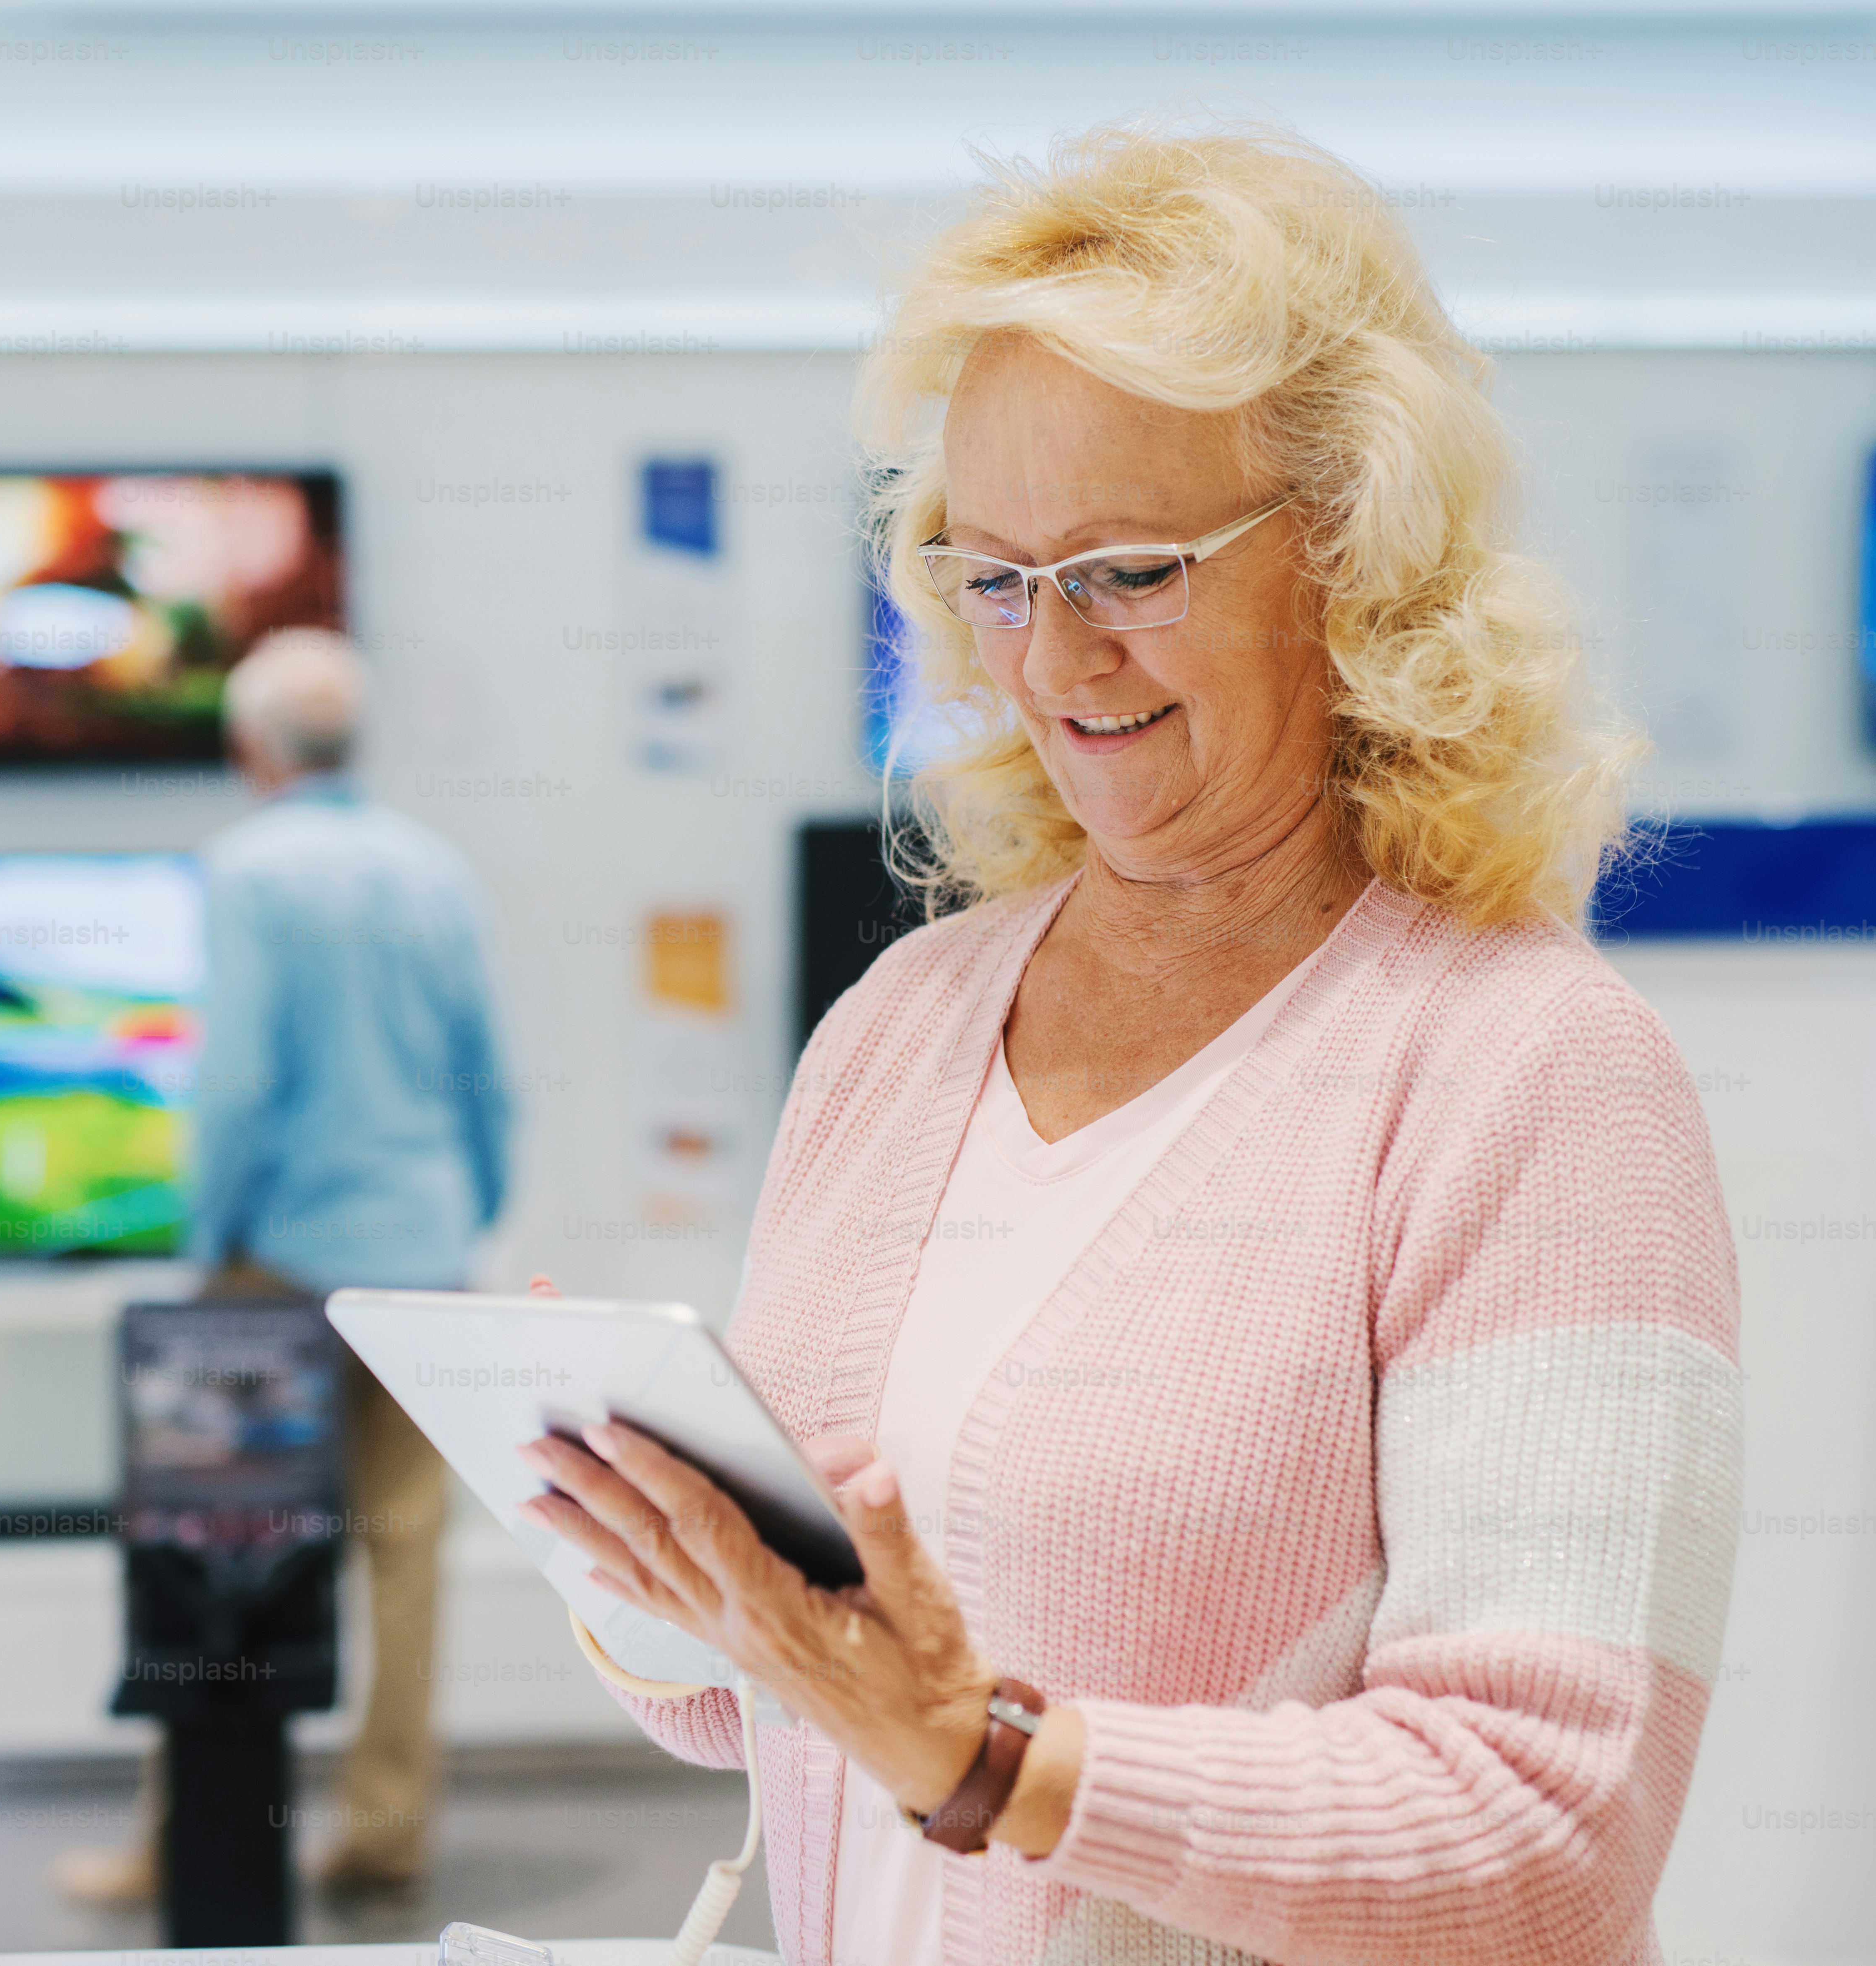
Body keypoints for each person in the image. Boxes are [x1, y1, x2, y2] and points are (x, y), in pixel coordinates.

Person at [517, 119, 1743, 1966]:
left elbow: (1540, 1839)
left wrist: (995, 1759)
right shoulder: (901, 1029)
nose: (1052, 656)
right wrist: (642, 1551)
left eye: (1133, 568)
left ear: (1351, 554)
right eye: (994, 576)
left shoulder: (1532, 1074)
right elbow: (757, 1721)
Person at [60, 628, 512, 1905]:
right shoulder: (437, 873)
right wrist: (466, 1214)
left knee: (212, 1552)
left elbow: (240, 1084)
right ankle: (386, 1832)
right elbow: (487, 1078)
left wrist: (208, 1254)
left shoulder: (246, 872)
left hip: (278, 1267)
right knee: (406, 1553)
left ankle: (184, 1838)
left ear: (246, 744)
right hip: (423, 1257)